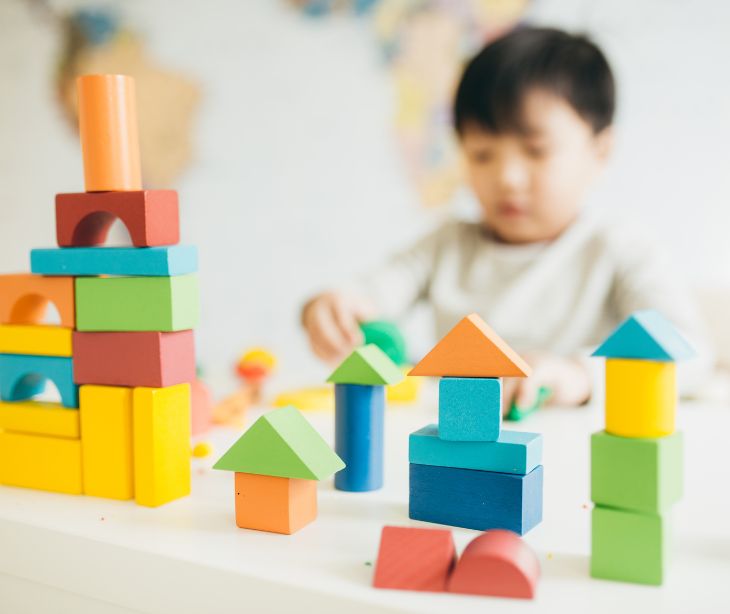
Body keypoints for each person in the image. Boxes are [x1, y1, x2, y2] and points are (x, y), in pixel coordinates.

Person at [301, 27, 712, 410]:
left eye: (536, 151)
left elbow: (688, 353)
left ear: (599, 150)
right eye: (482, 155)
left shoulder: (618, 248)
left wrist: (581, 375)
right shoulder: (446, 245)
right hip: (463, 453)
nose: (507, 178)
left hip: (575, 459)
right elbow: (369, 295)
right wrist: (331, 307)